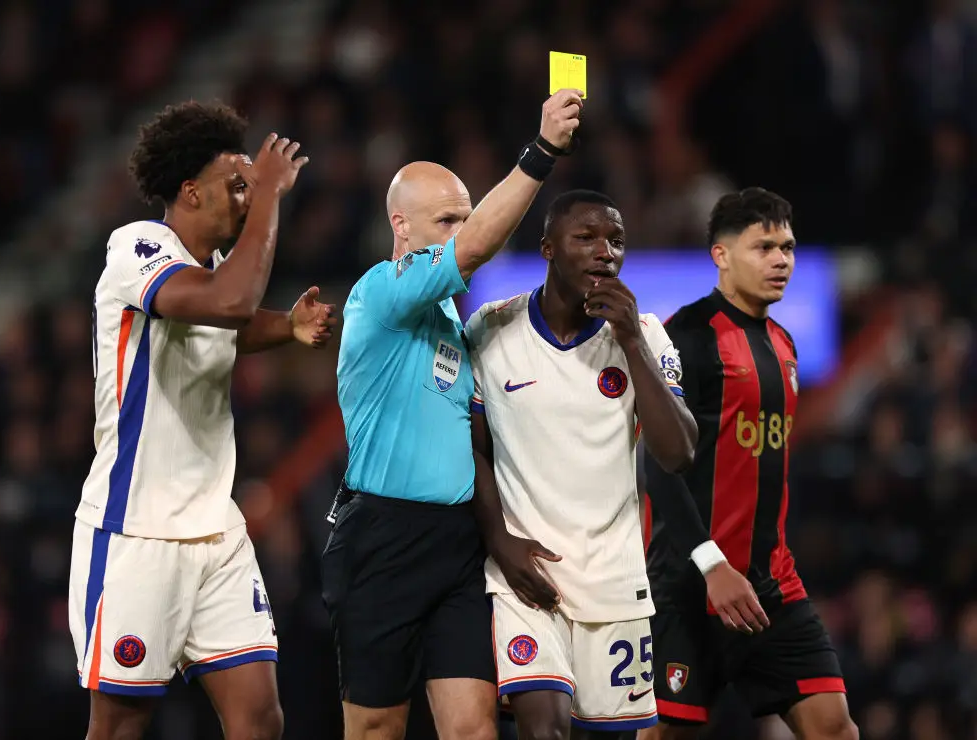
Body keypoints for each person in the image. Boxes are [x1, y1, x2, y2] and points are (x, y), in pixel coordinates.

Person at [68, 101, 336, 740]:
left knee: (259, 718)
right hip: (137, 531)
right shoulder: (137, 249)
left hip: (216, 530)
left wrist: (287, 326)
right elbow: (228, 303)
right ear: (190, 192)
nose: (246, 196)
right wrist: (269, 196)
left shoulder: (210, 271)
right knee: (120, 727)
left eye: (249, 186)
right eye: (236, 185)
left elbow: (227, 322)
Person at [324, 88, 584, 740]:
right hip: (384, 538)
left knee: (473, 727)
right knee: (376, 728)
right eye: (447, 221)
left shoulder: (450, 321)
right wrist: (542, 150)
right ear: (401, 226)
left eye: (465, 218)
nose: (461, 233)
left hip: (457, 545)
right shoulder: (380, 294)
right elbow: (473, 250)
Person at [465, 189, 698, 739]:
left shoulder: (646, 333)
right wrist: (498, 539)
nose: (604, 252)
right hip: (526, 576)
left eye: (616, 241)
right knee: (543, 730)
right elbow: (472, 448)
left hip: (614, 582)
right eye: (586, 238)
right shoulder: (492, 328)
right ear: (548, 248)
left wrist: (632, 343)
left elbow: (678, 452)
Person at [637, 188, 858, 740]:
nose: (781, 260)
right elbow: (656, 463)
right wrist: (711, 564)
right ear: (721, 254)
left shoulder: (784, 344)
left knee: (834, 728)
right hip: (688, 587)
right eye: (764, 247)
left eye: (788, 247)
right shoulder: (686, 337)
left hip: (771, 587)